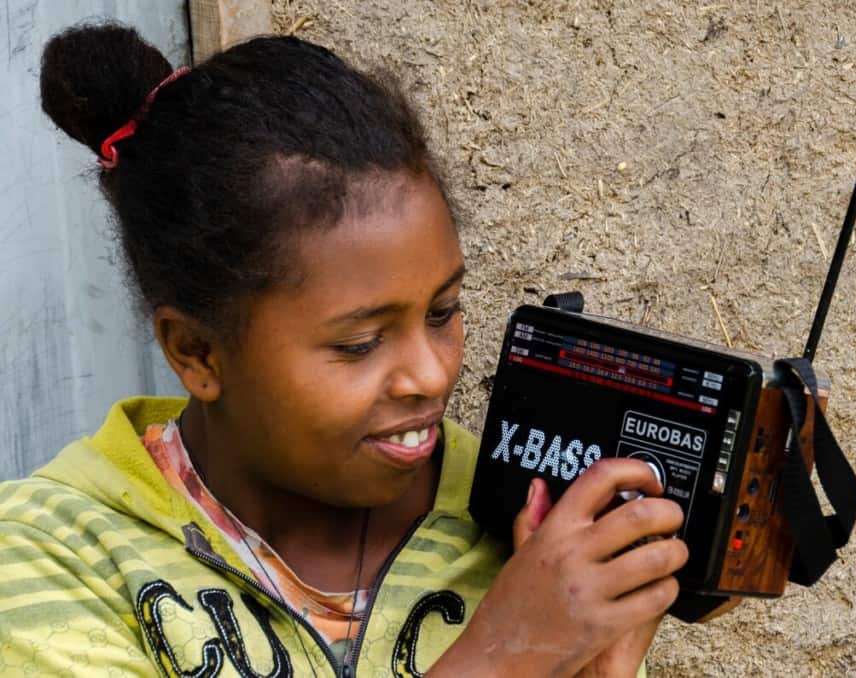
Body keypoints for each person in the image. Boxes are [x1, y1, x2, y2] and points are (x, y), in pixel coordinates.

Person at [0, 24, 690, 677]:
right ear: (197, 353)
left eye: (444, 312)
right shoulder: (56, 555)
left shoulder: (523, 538)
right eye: (360, 343)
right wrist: (504, 651)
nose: (431, 373)